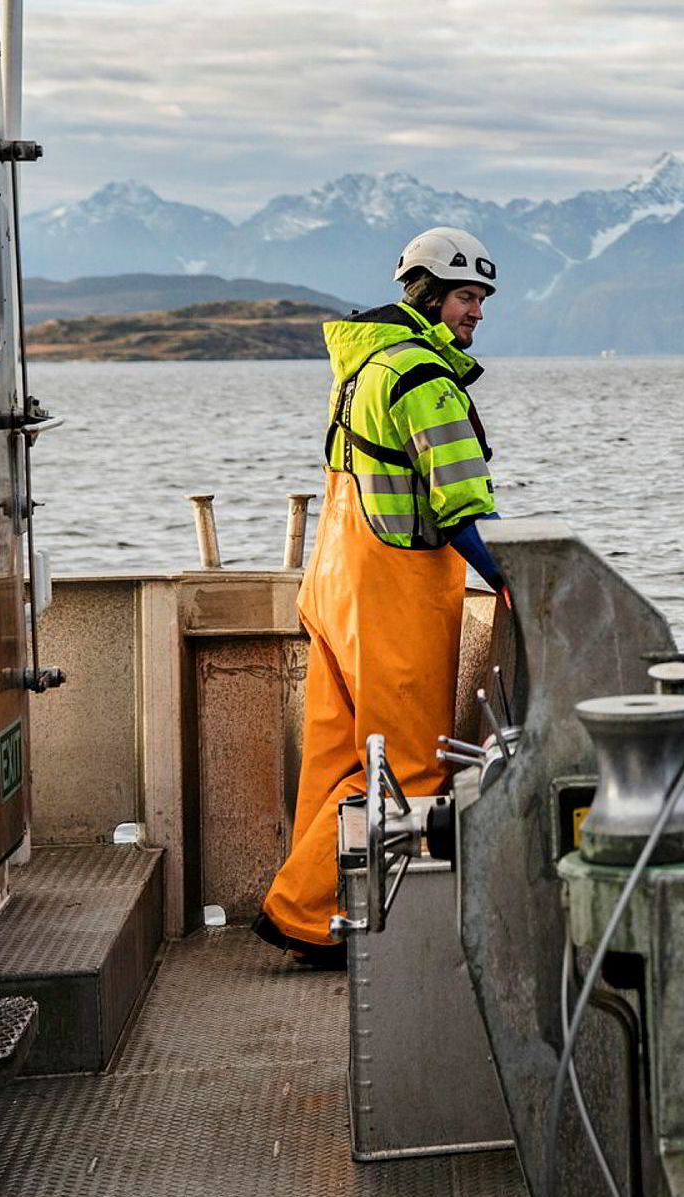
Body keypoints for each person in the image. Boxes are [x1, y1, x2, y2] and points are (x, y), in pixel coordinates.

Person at [254, 227, 506, 967]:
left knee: (336, 759)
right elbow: (460, 509)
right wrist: (509, 580)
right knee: (407, 765)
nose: (477, 311)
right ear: (427, 295)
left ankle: (324, 918)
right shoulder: (424, 377)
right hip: (394, 596)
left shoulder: (363, 367)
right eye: (465, 296)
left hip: (335, 585)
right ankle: (301, 910)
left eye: (482, 298)